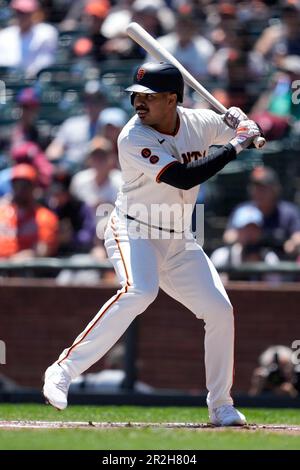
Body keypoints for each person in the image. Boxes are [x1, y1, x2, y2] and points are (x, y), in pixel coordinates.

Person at [43, 62, 263, 426]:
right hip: (134, 230)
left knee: (220, 311)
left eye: (149, 97)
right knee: (139, 291)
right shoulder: (132, 137)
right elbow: (183, 176)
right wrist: (239, 141)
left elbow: (239, 133)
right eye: (136, 96)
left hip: (179, 238)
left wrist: (241, 122)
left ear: (173, 100)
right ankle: (62, 370)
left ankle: (221, 405)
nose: (139, 103)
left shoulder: (199, 122)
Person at [224, 166, 300, 259]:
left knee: (271, 259)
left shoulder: (288, 211)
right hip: (245, 254)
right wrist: (244, 235)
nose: (258, 192)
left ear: (275, 189)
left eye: (263, 188)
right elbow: (228, 236)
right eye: (255, 187)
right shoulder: (243, 209)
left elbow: (297, 237)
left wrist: (291, 243)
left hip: (276, 258)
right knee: (220, 256)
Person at [0, 163, 58, 260]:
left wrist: (25, 256)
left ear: (34, 187)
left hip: (28, 270)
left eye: (25, 185)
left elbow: (44, 249)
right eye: (16, 184)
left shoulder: (45, 217)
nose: (20, 189)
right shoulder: (2, 212)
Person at [46, 80, 106, 169]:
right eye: (88, 99)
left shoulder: (109, 125)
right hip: (71, 172)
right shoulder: (71, 124)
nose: (92, 104)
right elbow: (54, 150)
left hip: (98, 171)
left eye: (96, 99)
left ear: (103, 102)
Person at [0, 0, 58, 78]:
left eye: (25, 13)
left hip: (34, 82)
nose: (21, 16)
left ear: (34, 13)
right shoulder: (5, 35)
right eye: (18, 12)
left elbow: (45, 63)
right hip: (9, 81)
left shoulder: (46, 32)